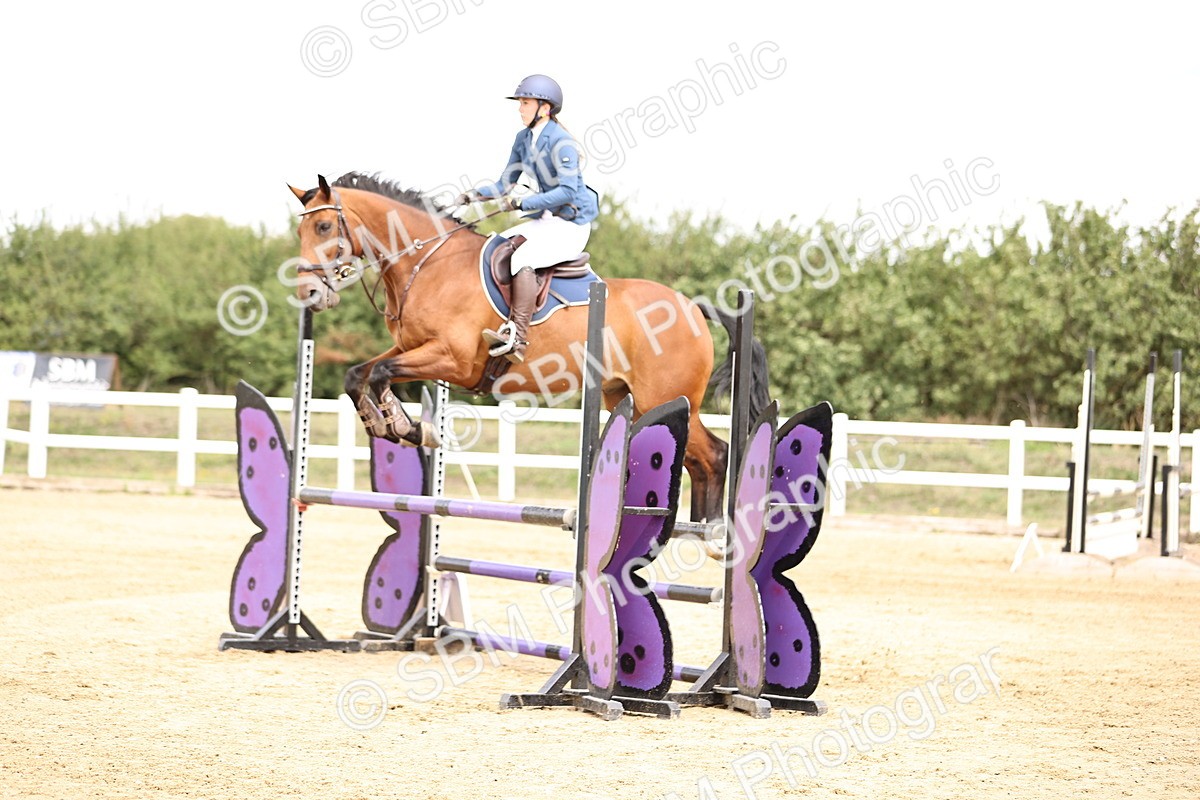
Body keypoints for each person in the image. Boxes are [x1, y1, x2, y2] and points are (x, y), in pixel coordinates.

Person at [456, 74, 599, 364]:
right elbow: (505, 184)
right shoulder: (523, 139)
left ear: (544, 108)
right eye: (520, 103)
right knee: (495, 246)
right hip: (545, 220)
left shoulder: (562, 143)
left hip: (571, 224)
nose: (519, 109)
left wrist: (524, 202)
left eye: (525, 103)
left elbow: (568, 191)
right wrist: (475, 195)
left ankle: (517, 337)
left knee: (522, 259)